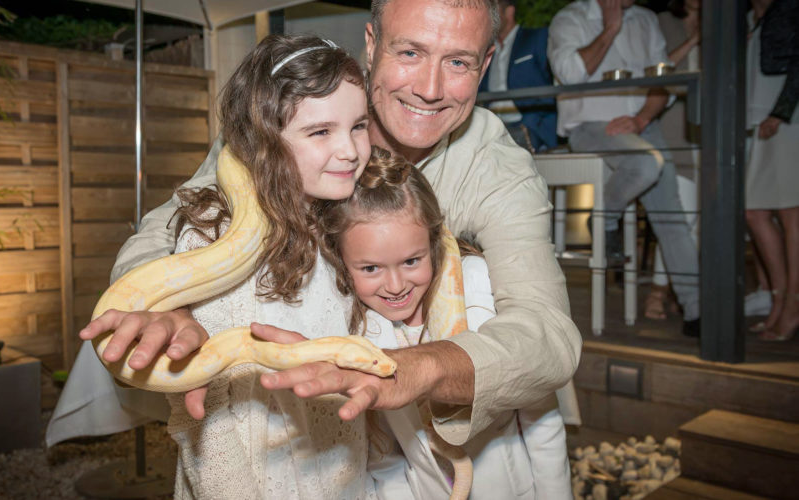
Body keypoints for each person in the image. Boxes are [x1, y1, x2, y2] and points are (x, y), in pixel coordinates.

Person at [83, 0, 582, 454]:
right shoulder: (289, 114)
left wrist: (416, 369)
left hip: (439, 436)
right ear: (371, 44)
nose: (430, 89)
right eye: (410, 52)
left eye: (458, 62)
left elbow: (549, 335)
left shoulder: (498, 171)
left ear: (486, 64)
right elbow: (166, 227)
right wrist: (172, 310)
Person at [122, 34, 382, 498]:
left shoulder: (342, 224)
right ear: (263, 141)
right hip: (247, 474)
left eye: (359, 126)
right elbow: (211, 414)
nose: (349, 150)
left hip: (337, 465)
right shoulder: (212, 235)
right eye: (321, 132)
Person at [317, 148, 573, 499]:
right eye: (371, 268)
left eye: (411, 261)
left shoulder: (478, 287)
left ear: (434, 242)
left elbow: (540, 414)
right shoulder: (358, 330)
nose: (395, 286)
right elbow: (384, 454)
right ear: (341, 261)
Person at [548, 0, 701, 337]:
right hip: (589, 126)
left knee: (671, 215)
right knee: (647, 163)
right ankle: (606, 218)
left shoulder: (646, 19)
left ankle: (698, 310)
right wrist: (610, 28)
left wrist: (642, 117)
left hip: (642, 124)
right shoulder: (570, 18)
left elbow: (661, 77)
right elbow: (571, 74)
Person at [745, 0, 799, 342]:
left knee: (791, 211)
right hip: (758, 120)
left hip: (787, 116)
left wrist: (781, 112)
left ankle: (791, 306)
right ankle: (780, 300)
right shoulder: (748, 16)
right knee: (755, 211)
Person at [644, 0, 701, 320]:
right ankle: (659, 290)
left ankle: (681, 293)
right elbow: (659, 72)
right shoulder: (663, 21)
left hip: (713, 135)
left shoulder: (733, 23)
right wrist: (695, 40)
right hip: (675, 130)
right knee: (681, 218)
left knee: (698, 224)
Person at [479, 0, 558, 153]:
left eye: (494, 12)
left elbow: (551, 83)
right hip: (493, 126)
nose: (488, 18)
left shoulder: (536, 38)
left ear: (509, 12)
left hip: (528, 126)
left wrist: (529, 126)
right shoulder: (486, 50)